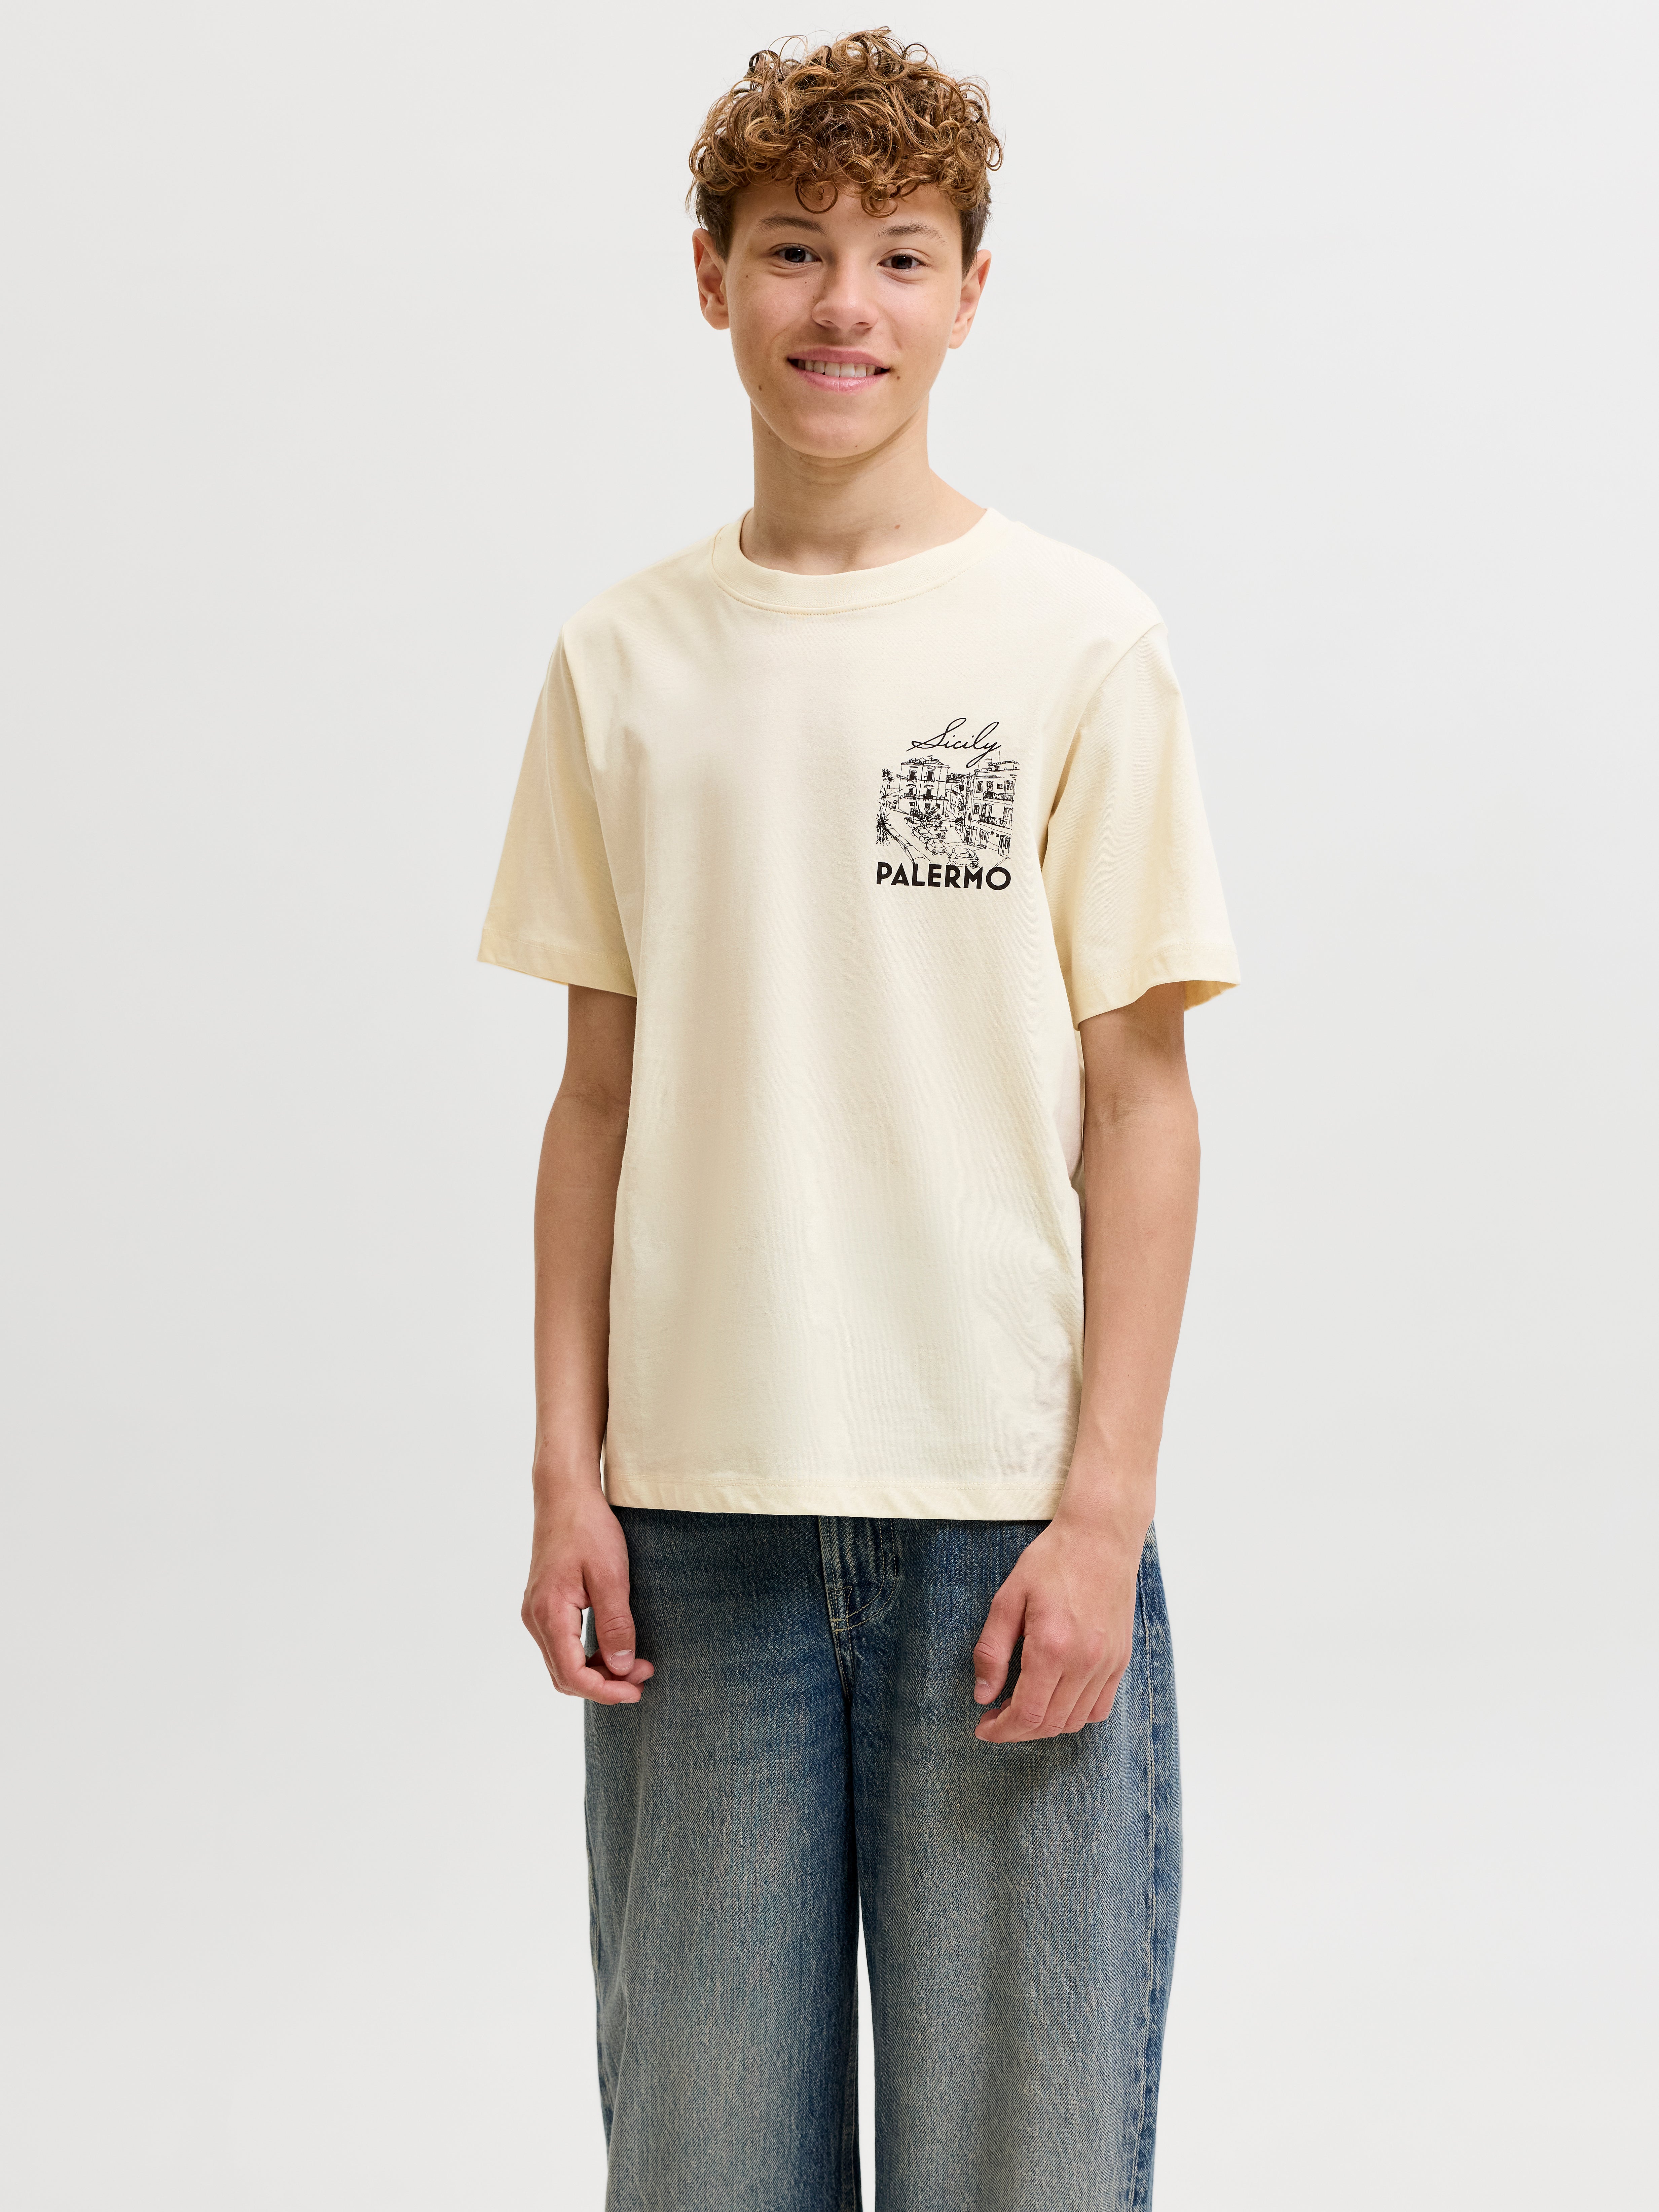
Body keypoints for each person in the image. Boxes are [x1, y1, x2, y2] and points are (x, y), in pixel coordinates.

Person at [479, 28, 1239, 2210]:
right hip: (691, 1535)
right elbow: (594, 1099)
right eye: (794, 249)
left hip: (1000, 1517)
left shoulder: (1077, 640)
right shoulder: (622, 662)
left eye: (900, 255)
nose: (845, 304)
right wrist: (567, 1478)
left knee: (1025, 2172)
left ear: (970, 293)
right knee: (704, 2165)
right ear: (708, 277)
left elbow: (1140, 1104)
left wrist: (1098, 1517)